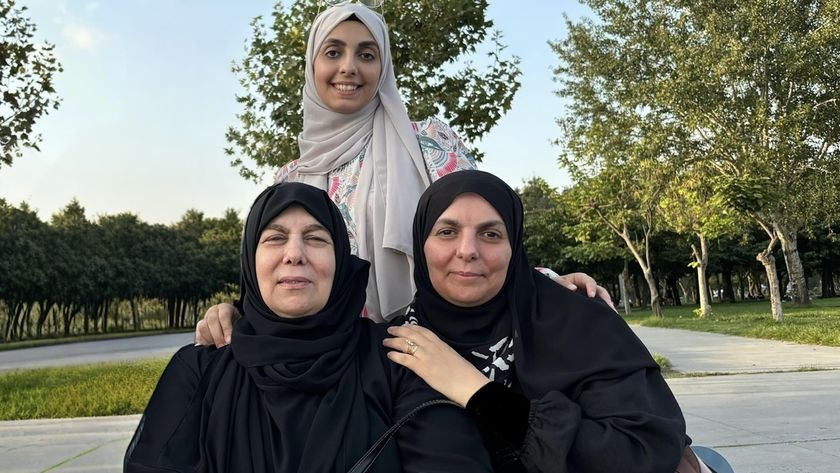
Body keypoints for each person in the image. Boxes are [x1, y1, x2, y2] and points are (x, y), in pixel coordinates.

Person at [196, 2, 611, 345]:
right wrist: (231, 310)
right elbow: (279, 280)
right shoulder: (289, 180)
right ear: (312, 64)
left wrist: (548, 282)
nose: (349, 68)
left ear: (384, 67)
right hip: (336, 362)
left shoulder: (428, 144)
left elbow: (481, 231)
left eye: (366, 54)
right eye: (333, 51)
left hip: (435, 349)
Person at [124, 182, 492, 472]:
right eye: (275, 238)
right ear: (251, 263)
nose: (294, 253)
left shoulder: (399, 359)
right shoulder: (200, 369)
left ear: (340, 261)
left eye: (316, 239)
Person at [382, 170, 689, 472]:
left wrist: (476, 391)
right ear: (421, 245)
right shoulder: (393, 344)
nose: (467, 251)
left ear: (514, 247)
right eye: (447, 232)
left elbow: (643, 451)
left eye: (491, 234)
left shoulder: (579, 323)